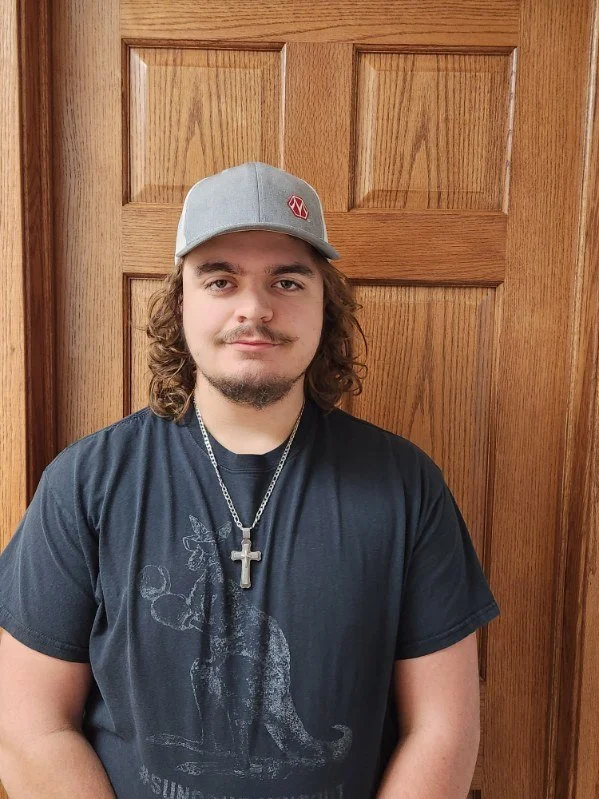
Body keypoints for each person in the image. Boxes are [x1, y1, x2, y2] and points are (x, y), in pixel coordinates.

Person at [0, 162, 500, 799]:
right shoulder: (87, 482)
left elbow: (443, 730)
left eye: (287, 281)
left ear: (328, 305)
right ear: (181, 303)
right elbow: (27, 725)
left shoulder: (405, 485)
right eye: (220, 280)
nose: (254, 309)